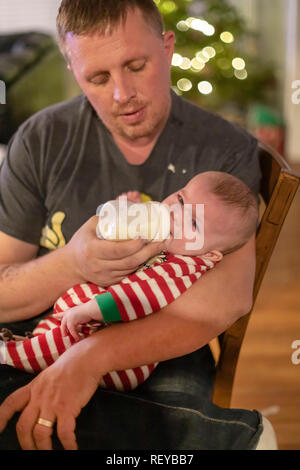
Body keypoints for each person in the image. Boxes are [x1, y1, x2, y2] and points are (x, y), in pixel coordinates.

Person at [0, 0, 272, 450]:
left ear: (167, 49)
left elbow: (223, 302)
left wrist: (87, 361)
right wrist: (76, 263)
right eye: (98, 78)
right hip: (50, 326)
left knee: (159, 438)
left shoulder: (223, 156)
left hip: (160, 346)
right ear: (73, 69)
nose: (122, 94)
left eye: (136, 65)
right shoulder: (42, 140)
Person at [0, 171, 258, 390]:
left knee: (65, 335)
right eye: (180, 199)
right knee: (58, 326)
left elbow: (137, 296)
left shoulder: (182, 268)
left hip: (121, 357)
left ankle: (11, 356)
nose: (174, 214)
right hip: (95, 324)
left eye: (193, 222)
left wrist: (90, 310)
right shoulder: (173, 242)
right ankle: (34, 344)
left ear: (211, 254)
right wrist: (131, 213)